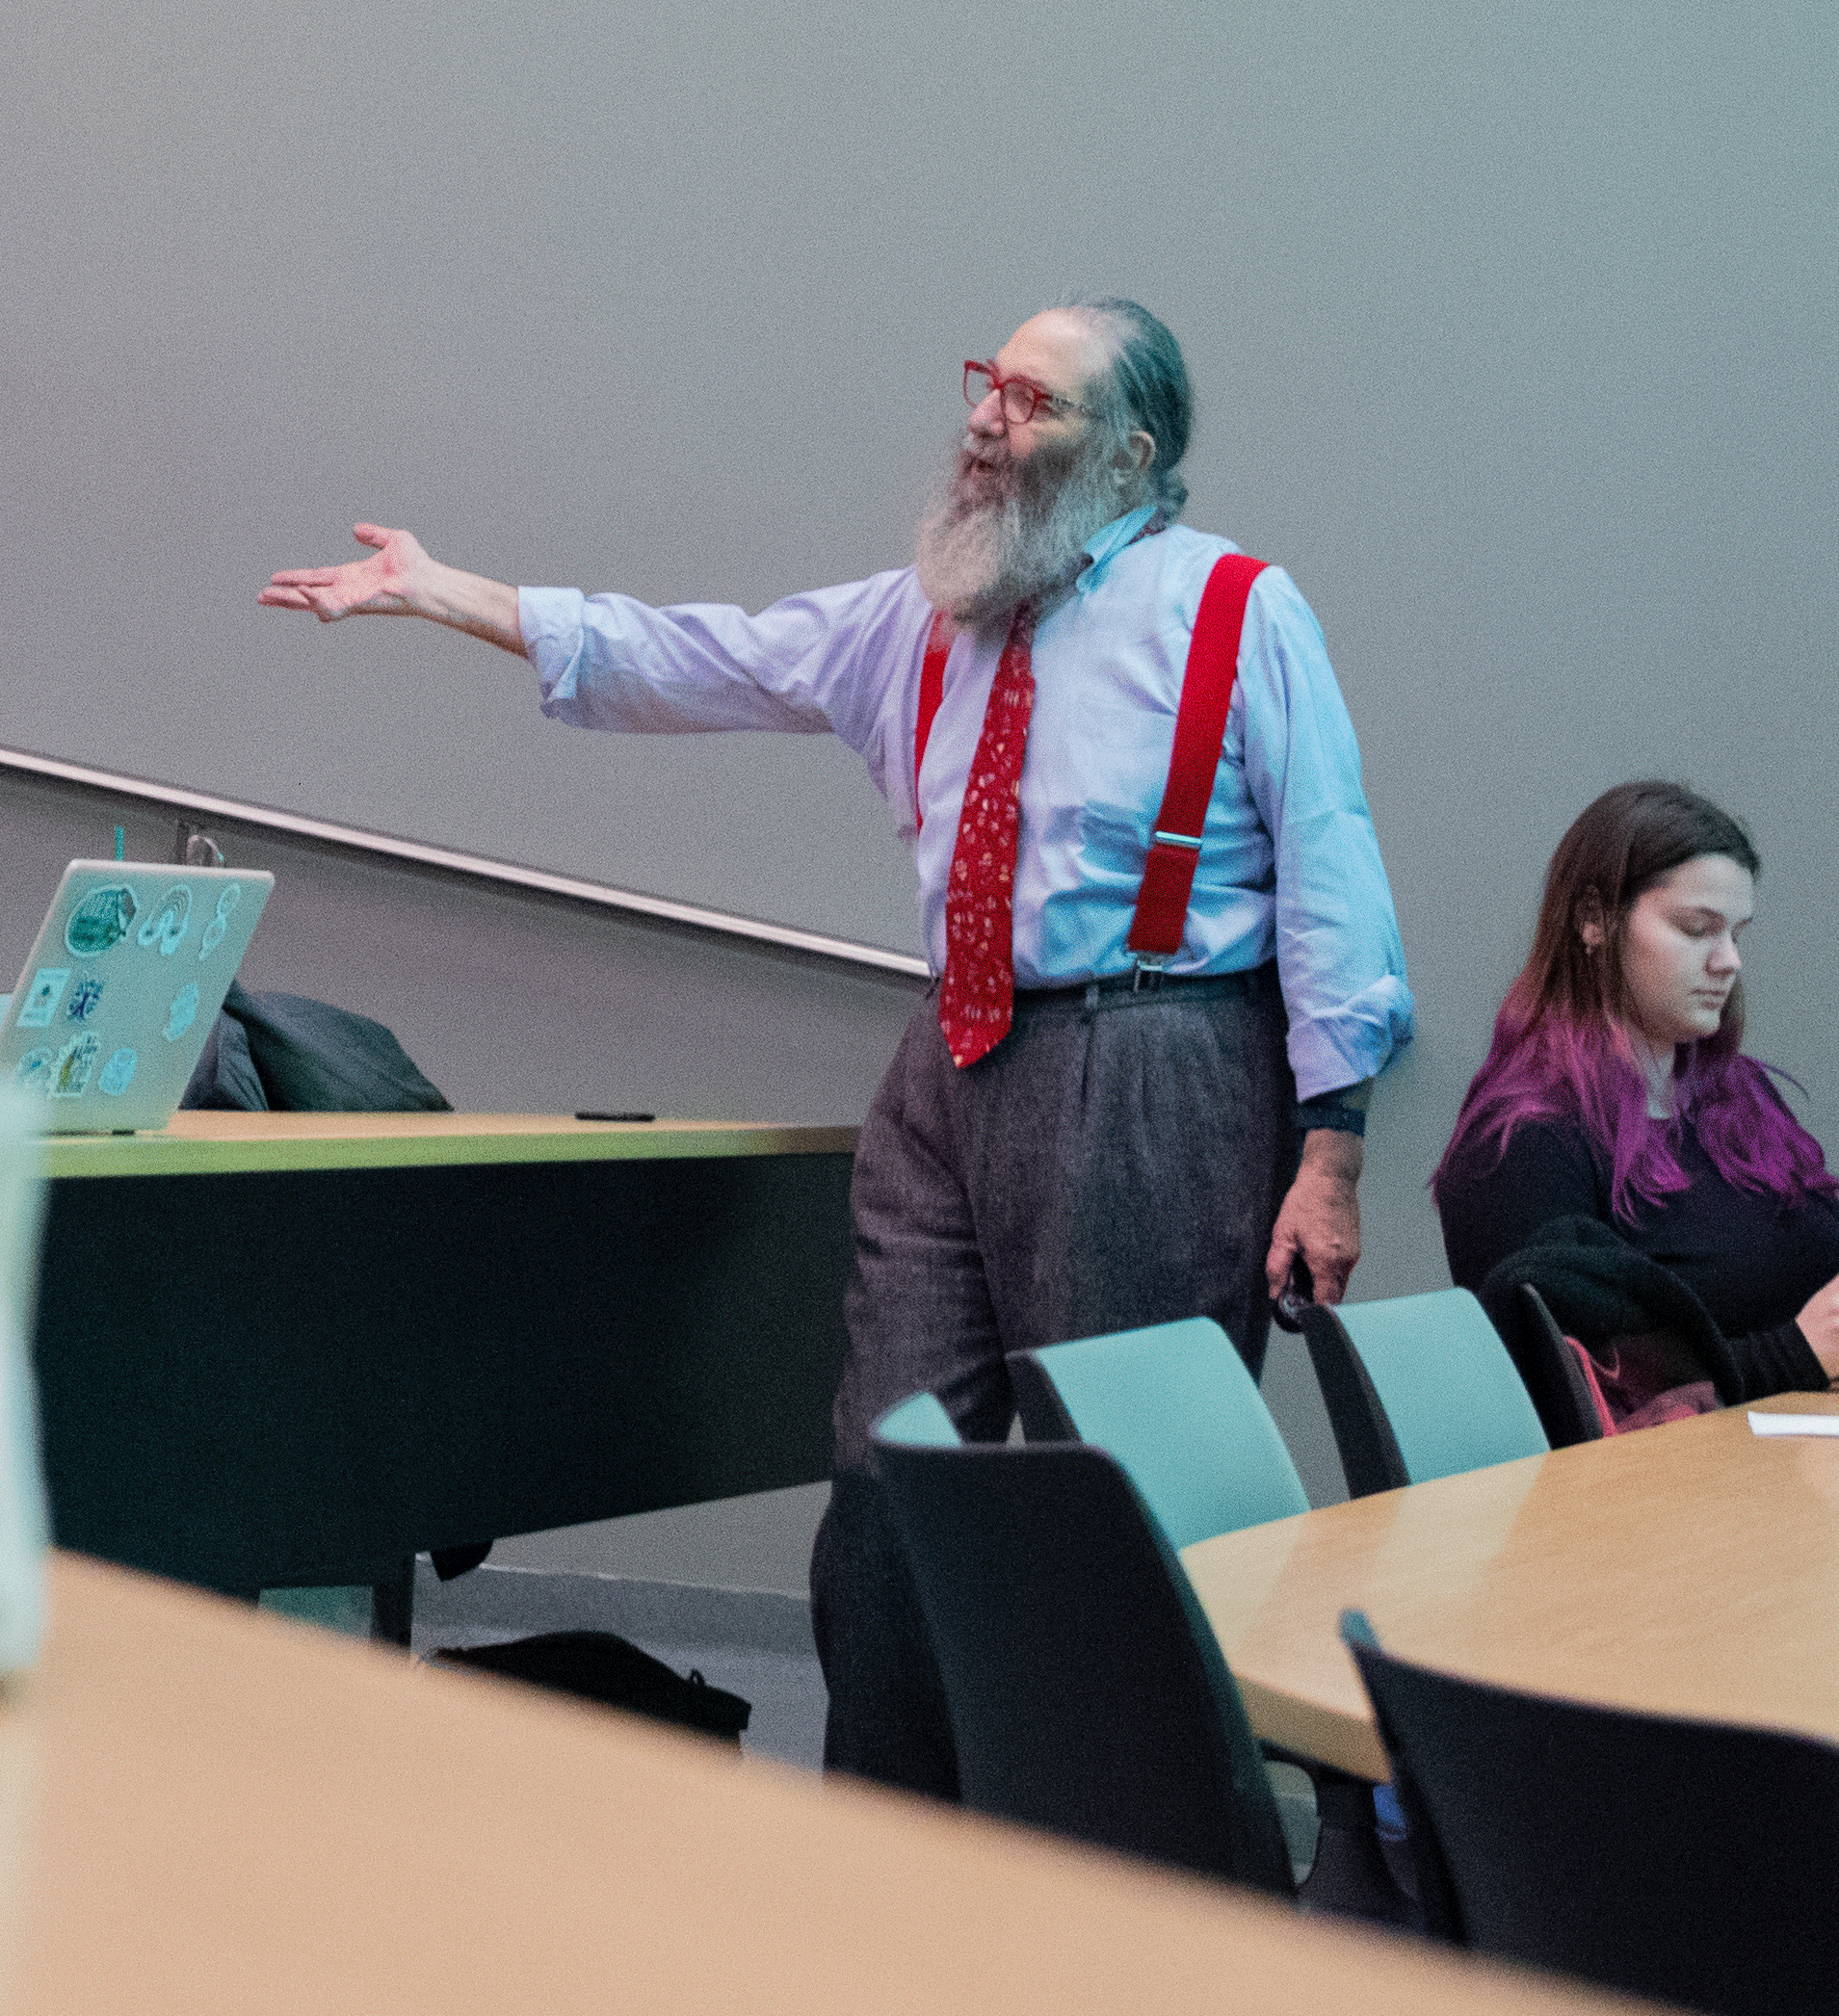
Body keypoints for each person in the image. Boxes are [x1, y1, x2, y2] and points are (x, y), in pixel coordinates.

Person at [255, 298, 1408, 1795]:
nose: (985, 417)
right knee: (886, 1476)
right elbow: (702, 655)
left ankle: (1122, 1850)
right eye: (988, 382)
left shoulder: (1238, 610)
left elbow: (1331, 867)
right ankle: (884, 1835)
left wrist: (1332, 1146)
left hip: (1151, 1061)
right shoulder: (918, 616)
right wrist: (443, 589)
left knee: (1114, 1494)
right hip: (952, 1058)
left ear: (1130, 455)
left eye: (1035, 401)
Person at [1428, 780, 1839, 1420]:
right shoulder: (1522, 1141)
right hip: (1662, 1483)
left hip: (1805, 1458)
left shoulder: (1742, 1098)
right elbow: (1584, 1403)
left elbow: (1838, 1295)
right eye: (1697, 928)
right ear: (1594, 919)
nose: (1729, 961)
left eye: (1736, 933)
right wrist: (1798, 1353)